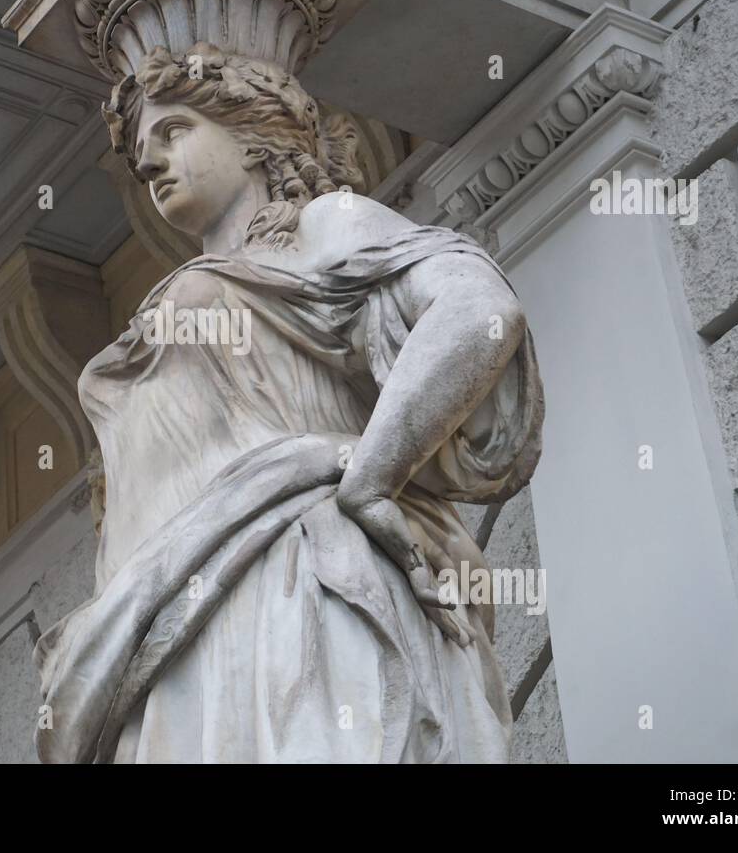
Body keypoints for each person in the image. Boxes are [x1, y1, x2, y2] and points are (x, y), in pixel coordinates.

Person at [34, 43, 544, 763]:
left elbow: (478, 310)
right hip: (167, 637)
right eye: (142, 154)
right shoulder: (210, 276)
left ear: (251, 136)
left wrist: (372, 478)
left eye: (174, 131)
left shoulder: (325, 222)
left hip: (292, 585)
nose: (149, 164)